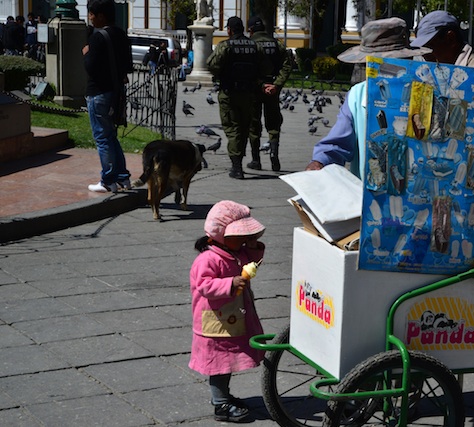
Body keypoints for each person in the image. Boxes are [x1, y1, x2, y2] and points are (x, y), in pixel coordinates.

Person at [305, 17, 429, 178]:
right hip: (370, 196)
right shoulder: (358, 94)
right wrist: (319, 161)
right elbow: (338, 143)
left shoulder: (427, 93)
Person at [189, 200, 266, 422]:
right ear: (222, 236)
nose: (243, 240)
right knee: (219, 362)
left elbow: (254, 262)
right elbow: (204, 285)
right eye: (240, 237)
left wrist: (252, 245)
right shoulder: (207, 259)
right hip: (215, 321)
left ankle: (223, 396)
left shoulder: (238, 252)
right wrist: (229, 284)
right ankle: (221, 405)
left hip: (231, 317)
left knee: (227, 361)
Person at [207, 16, 271, 179]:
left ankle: (236, 167)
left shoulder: (225, 46)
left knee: (233, 128)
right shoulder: (255, 46)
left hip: (230, 93)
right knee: (244, 128)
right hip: (249, 94)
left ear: (229, 30)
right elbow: (265, 68)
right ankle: (239, 162)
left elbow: (212, 65)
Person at [83, 0, 133, 193]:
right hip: (115, 92)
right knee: (111, 136)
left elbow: (90, 67)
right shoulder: (121, 34)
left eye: (91, 14)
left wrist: (86, 53)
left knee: (103, 138)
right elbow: (128, 66)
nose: (90, 18)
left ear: (101, 15)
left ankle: (108, 180)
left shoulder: (98, 37)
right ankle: (123, 178)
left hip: (98, 93)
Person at [246, 16, 293, 172]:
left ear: (251, 29)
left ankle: (256, 159)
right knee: (273, 123)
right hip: (272, 89)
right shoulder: (276, 44)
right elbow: (287, 65)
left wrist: (261, 84)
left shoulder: (250, 44)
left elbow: (247, 68)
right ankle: (274, 154)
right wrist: (276, 85)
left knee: (254, 124)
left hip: (254, 89)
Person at [410, 10, 474, 68]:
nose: (425, 55)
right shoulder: (436, 69)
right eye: (422, 48)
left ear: (450, 38)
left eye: (429, 47)